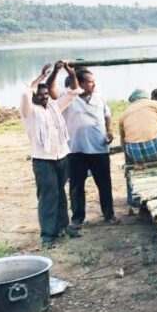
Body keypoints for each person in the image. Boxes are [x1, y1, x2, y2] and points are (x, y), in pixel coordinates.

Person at [19, 62, 82, 249]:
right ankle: (47, 235)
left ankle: (63, 227)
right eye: (40, 95)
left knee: (61, 193)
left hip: (62, 156)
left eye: (46, 94)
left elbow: (73, 92)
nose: (45, 97)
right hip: (43, 160)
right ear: (34, 97)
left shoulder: (54, 107)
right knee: (48, 196)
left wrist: (69, 72)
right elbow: (25, 92)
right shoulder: (29, 111)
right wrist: (40, 77)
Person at [47, 66, 117, 226]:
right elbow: (51, 89)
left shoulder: (99, 97)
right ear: (80, 83)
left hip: (99, 148)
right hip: (75, 149)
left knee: (104, 183)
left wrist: (109, 130)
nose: (93, 84)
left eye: (93, 82)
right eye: (90, 82)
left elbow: (107, 115)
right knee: (76, 185)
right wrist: (58, 71)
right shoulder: (68, 97)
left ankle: (109, 215)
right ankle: (78, 218)